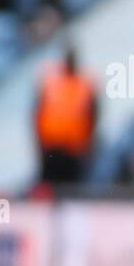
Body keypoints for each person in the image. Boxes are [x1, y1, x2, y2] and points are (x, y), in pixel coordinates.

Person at [35, 45, 96, 186]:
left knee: (71, 187)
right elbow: (38, 114)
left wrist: (88, 146)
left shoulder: (85, 83)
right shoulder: (50, 81)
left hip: (74, 149)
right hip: (51, 146)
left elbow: (92, 116)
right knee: (50, 186)